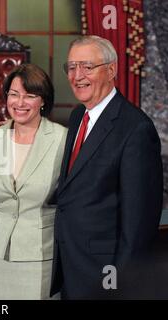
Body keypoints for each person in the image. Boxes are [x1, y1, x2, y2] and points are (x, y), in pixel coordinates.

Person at [50, 35, 163, 299]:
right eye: (71, 67)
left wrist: (118, 285)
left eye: (87, 67)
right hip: (72, 266)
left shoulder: (135, 129)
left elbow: (139, 226)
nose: (77, 75)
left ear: (111, 70)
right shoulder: (79, 115)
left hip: (104, 276)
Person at [0, 64, 67, 299]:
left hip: (40, 256)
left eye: (30, 96)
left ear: (43, 101)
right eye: (14, 94)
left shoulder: (62, 140)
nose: (20, 103)